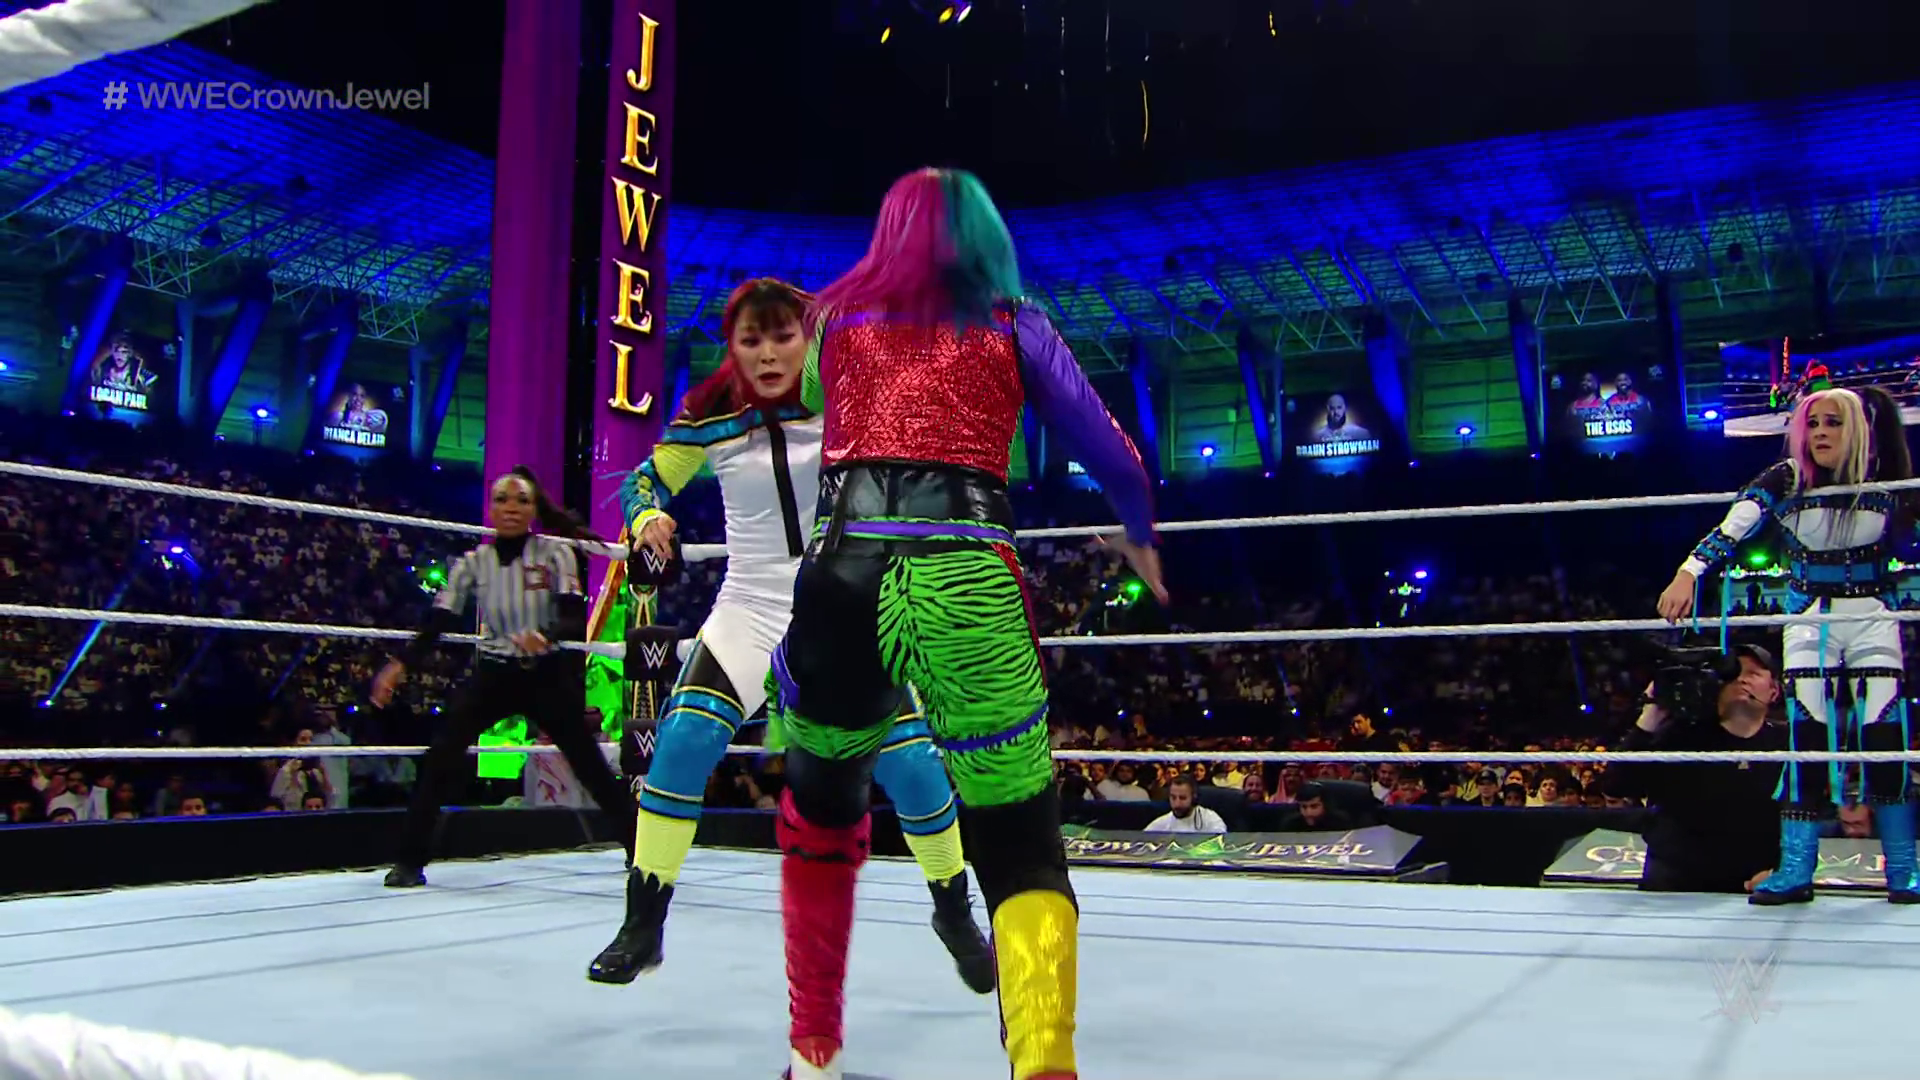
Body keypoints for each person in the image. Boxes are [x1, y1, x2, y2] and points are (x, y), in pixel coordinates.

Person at [766, 167, 1164, 1080]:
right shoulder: (1014, 322)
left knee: (820, 812)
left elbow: (821, 405)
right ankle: (1043, 1065)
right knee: (1021, 845)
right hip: (967, 573)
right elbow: (1113, 454)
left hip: (843, 570)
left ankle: (812, 1053)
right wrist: (1139, 535)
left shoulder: (835, 321)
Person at [584, 278, 995, 994]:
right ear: (733, 347)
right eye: (752, 340)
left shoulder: (850, 390)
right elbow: (642, 482)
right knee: (683, 740)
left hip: (844, 607)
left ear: (809, 338)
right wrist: (647, 518)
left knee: (912, 769)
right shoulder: (709, 408)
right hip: (750, 603)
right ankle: (642, 924)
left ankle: (954, 911)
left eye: (783, 336)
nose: (769, 354)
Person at [1658, 384, 1918, 904]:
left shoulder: (1886, 476)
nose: (1820, 433)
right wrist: (1689, 571)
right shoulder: (1788, 477)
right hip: (1809, 619)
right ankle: (1797, 869)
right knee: (1806, 742)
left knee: (1885, 739)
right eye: (1813, 423)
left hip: (1872, 615)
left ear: (1857, 429)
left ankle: (1904, 870)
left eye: (1833, 422)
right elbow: (1737, 523)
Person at [371, 467, 635, 887]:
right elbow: (439, 619)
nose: (511, 508)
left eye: (521, 501)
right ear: (491, 508)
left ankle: (640, 848)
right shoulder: (473, 563)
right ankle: (409, 862)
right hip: (494, 672)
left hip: (545, 673)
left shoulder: (555, 553)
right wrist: (400, 665)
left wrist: (544, 635)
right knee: (441, 756)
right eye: (502, 500)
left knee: (588, 763)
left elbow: (572, 616)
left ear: (533, 509)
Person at [1602, 645, 1786, 894]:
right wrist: (1651, 713)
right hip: (1678, 885)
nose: (1742, 679)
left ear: (1774, 691)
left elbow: (1808, 812)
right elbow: (1616, 785)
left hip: (1755, 887)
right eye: (1733, 673)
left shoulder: (1787, 744)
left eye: (1753, 673)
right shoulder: (1680, 736)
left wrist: (1781, 872)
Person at [1142, 776, 1226, 833]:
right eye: (1173, 797)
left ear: (1194, 797)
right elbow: (1142, 843)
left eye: (1182, 798)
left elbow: (1220, 843)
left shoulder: (1210, 819)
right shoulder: (1162, 823)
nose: (1177, 804)